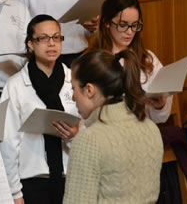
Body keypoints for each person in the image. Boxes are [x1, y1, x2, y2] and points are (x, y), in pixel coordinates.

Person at [64, 49, 163, 203]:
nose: (72, 96)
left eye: (73, 89)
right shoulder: (151, 129)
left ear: (89, 90)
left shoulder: (89, 140)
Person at [0, 14, 80, 204]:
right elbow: (9, 144)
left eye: (56, 37)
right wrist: (15, 193)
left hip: (73, 178)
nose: (51, 43)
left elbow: (90, 130)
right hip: (34, 181)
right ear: (30, 44)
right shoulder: (15, 85)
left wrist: (74, 135)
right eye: (43, 38)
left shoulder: (75, 79)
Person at [91, 0, 172, 123]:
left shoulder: (148, 59)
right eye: (122, 25)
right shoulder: (93, 62)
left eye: (134, 25)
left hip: (142, 134)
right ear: (107, 23)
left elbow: (161, 118)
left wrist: (160, 106)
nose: (129, 32)